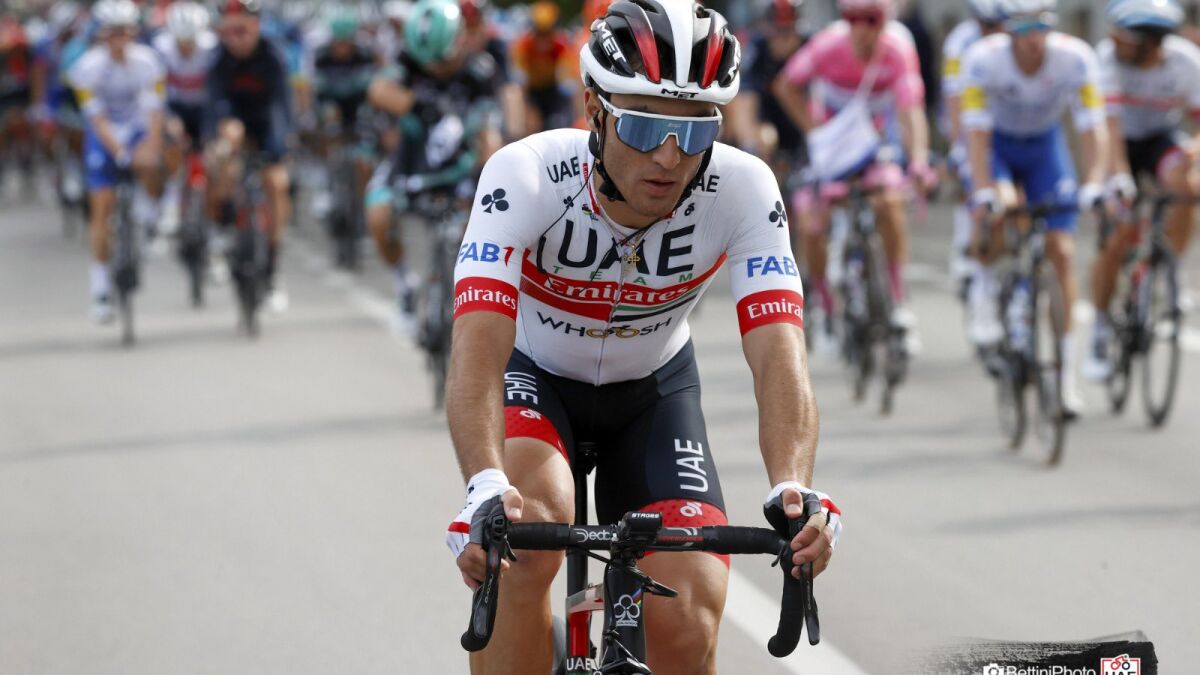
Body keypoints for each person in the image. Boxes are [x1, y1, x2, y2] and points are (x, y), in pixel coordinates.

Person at [444, 2, 841, 673]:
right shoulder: (526, 174)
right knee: (521, 541)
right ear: (594, 110)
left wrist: (793, 488)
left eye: (695, 130)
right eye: (645, 124)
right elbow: (477, 347)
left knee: (689, 611)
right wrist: (483, 481)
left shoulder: (744, 189)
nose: (669, 156)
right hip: (535, 377)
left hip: (652, 390)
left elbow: (780, 353)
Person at [960, 0, 1108, 415]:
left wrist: (1095, 182)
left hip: (1045, 148)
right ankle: (987, 291)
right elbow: (975, 132)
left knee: (1062, 251)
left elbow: (1092, 125)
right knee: (1002, 207)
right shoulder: (983, 59)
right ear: (1008, 31)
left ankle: (1065, 379)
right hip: (998, 147)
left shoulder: (1076, 58)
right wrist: (983, 190)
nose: (1033, 39)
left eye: (1042, 27)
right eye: (1023, 29)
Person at [772, 0, 936, 357]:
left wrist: (919, 160)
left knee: (890, 203)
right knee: (811, 220)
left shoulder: (898, 49)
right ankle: (826, 306)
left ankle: (897, 299)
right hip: (831, 147)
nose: (862, 27)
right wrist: (816, 131)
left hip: (873, 146)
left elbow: (910, 111)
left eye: (871, 19)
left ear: (885, 21)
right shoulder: (828, 45)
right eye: (853, 18)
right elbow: (785, 85)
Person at [365, 0, 503, 335]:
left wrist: (488, 169)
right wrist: (418, 105)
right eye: (426, 62)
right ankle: (405, 285)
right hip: (411, 159)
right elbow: (379, 90)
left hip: (461, 165)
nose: (433, 68)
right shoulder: (407, 61)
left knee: (491, 220)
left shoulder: (480, 70)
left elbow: (490, 132)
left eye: (440, 60)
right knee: (379, 215)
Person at [1086, 0, 1200, 380]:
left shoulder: (1186, 62)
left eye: (1125, 36)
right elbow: (1110, 130)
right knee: (1118, 234)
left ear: (1150, 42)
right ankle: (1100, 327)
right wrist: (1120, 179)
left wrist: (1194, 150)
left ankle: (1170, 267)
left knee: (1188, 185)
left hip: (1159, 140)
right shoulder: (1108, 59)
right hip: (1117, 143)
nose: (1114, 40)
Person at [69, 0, 166, 324]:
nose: (119, 37)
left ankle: (148, 218)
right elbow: (95, 119)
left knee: (153, 163)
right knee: (102, 205)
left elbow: (155, 112)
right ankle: (99, 290)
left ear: (134, 32)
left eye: (125, 31)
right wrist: (121, 153)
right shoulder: (86, 67)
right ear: (102, 34)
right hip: (104, 134)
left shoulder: (149, 62)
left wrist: (150, 148)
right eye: (113, 31)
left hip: (137, 128)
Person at [206, 0, 294, 311]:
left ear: (256, 28)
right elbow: (213, 104)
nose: (236, 39)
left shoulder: (273, 56)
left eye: (242, 31)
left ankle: (273, 264)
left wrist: (281, 146)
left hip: (266, 124)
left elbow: (283, 106)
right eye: (229, 32)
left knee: (277, 184)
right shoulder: (218, 59)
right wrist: (220, 136)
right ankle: (221, 231)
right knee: (220, 163)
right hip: (234, 125)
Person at [942, 0, 1006, 295]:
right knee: (970, 178)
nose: (992, 32)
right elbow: (954, 96)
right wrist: (959, 143)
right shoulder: (959, 42)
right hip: (969, 117)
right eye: (985, 26)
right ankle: (963, 243)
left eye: (998, 25)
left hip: (1003, 118)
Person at [153, 1, 216, 236]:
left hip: (204, 108)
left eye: (191, 42)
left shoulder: (212, 48)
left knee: (213, 156)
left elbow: (219, 88)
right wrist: (168, 117)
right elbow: (155, 90)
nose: (187, 47)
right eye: (182, 42)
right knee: (172, 147)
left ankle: (213, 217)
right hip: (175, 106)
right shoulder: (161, 49)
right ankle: (171, 198)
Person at [511, 0, 571, 134]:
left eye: (547, 33)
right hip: (532, 91)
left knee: (558, 124)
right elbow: (520, 80)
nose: (543, 40)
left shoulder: (560, 46)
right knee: (532, 124)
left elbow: (566, 75)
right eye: (539, 33)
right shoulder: (525, 46)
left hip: (552, 90)